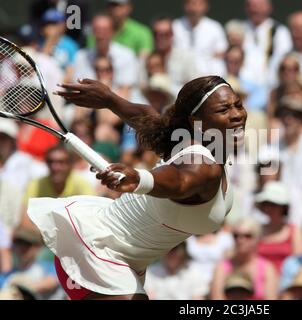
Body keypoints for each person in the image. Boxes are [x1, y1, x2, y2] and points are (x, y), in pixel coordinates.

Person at [28, 75, 246, 300]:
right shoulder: (203, 164)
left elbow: (149, 118)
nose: (237, 114)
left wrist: (109, 98)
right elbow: (181, 180)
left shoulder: (186, 141)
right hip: (93, 251)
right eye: (223, 109)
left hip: (119, 259)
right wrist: (143, 179)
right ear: (195, 122)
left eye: (238, 105)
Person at [210, 217, 279, 300]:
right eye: (236, 235)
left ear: (257, 238)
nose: (240, 240)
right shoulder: (222, 267)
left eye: (247, 236)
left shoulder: (267, 268)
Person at [73, 14, 138, 99]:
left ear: (113, 32)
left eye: (105, 30)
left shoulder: (127, 55)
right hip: (87, 104)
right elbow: (77, 88)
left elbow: (125, 92)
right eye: (97, 30)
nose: (101, 35)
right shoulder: (81, 56)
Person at [254, 181, 302, 273]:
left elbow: (299, 262)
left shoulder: (295, 231)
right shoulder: (257, 230)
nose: (269, 208)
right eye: (267, 204)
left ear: (283, 207)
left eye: (274, 205)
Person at [240, 0, 292, 87]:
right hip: (242, 86)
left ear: (269, 8)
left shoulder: (279, 31)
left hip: (270, 85)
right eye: (251, 5)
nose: (254, 9)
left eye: (259, 5)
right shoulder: (238, 29)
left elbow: (282, 59)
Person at [173, 0, 227, 77]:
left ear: (206, 6)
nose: (195, 8)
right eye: (192, 4)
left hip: (207, 78)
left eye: (199, 4)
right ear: (185, 6)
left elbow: (220, 54)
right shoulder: (175, 26)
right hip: (180, 78)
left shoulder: (215, 28)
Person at [144, 241, 209, 300]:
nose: (172, 253)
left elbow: (198, 298)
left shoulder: (194, 273)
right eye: (169, 250)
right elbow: (149, 296)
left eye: (176, 250)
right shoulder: (151, 272)